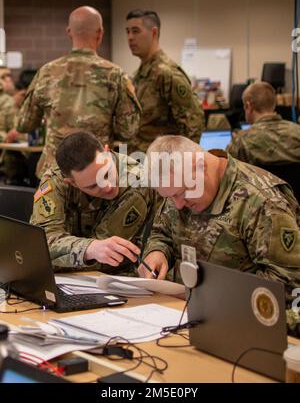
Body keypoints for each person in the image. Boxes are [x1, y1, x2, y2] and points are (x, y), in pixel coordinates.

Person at [139, 135, 300, 334]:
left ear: (201, 167)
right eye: (169, 197)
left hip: (244, 326)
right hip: (181, 316)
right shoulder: (179, 184)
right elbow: (162, 232)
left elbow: (288, 283)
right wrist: (158, 252)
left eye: (181, 193)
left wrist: (216, 300)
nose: (178, 204)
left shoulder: (261, 202)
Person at [15, 6, 141, 179]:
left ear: (69, 32)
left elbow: (24, 124)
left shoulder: (47, 72)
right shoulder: (115, 75)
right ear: (100, 33)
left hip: (54, 172)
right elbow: (129, 131)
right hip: (96, 173)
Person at [31, 131, 158, 275]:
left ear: (107, 151)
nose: (108, 186)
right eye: (93, 186)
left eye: (106, 173)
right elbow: (41, 244)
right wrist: (89, 248)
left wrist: (71, 252)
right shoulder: (56, 181)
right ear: (72, 183)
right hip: (64, 280)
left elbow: (105, 258)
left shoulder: (136, 182)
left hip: (115, 279)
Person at [126, 9, 204, 153]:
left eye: (136, 31)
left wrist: (182, 164)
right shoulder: (139, 74)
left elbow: (193, 123)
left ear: (154, 33)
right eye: (128, 31)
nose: (130, 37)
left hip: (163, 164)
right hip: (140, 160)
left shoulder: (167, 74)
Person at [227, 81, 300, 165]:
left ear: (248, 106)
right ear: (274, 104)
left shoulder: (240, 142)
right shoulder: (297, 132)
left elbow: (226, 172)